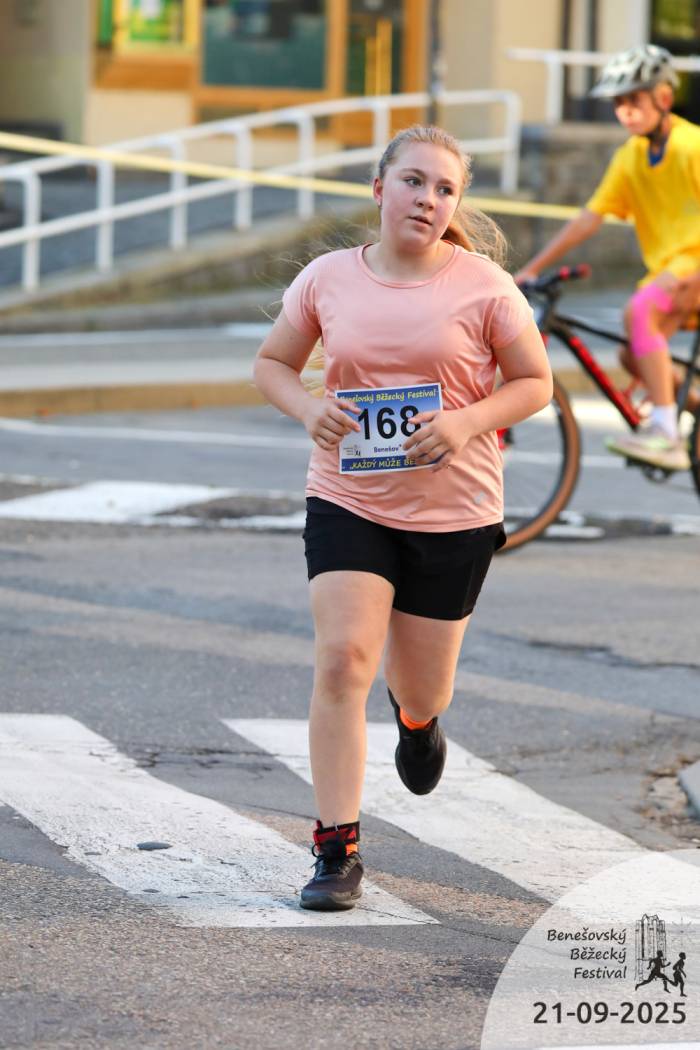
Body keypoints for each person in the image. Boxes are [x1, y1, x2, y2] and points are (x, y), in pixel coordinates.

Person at [254, 124, 551, 911]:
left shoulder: (486, 286)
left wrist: (464, 422)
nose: (428, 199)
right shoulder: (327, 278)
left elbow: (535, 384)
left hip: (454, 512)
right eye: (414, 181)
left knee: (421, 687)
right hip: (348, 498)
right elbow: (272, 363)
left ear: (456, 204)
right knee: (342, 660)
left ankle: (418, 723)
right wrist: (308, 409)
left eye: (445, 189)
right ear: (379, 188)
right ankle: (336, 849)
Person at [515, 44, 700, 472]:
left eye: (634, 100)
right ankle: (690, 409)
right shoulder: (630, 157)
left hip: (692, 268)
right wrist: (532, 269)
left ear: (664, 98)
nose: (625, 111)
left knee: (639, 312)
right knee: (633, 357)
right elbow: (588, 219)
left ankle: (665, 435)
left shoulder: (691, 145)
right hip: (670, 274)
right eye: (618, 103)